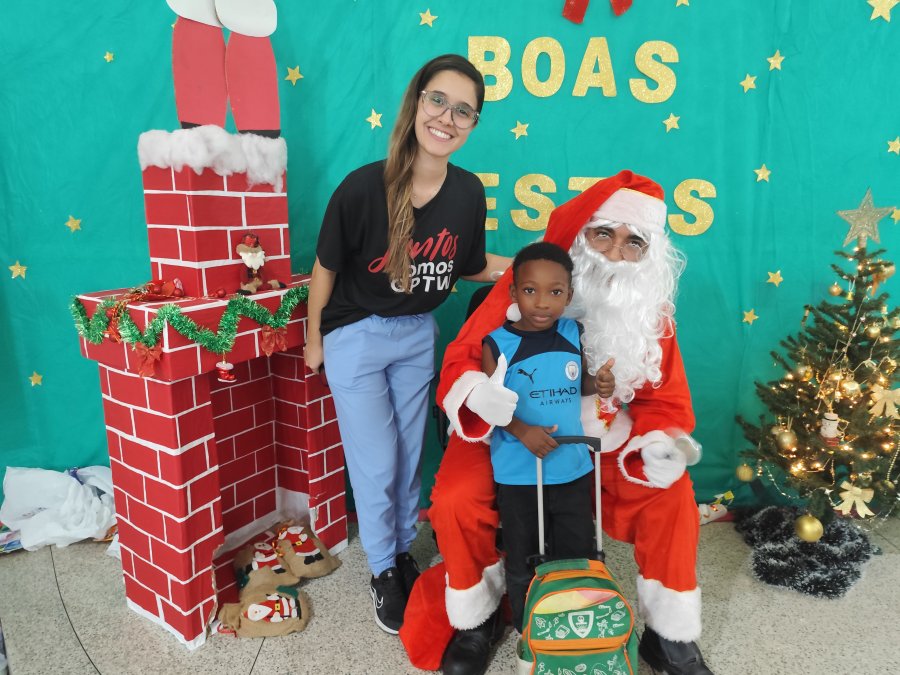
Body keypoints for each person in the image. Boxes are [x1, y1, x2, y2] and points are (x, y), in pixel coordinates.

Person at [400, 171, 714, 675]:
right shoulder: (526, 287)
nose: (615, 253)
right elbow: (462, 361)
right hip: (508, 430)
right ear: (582, 236)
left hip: (601, 435)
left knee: (672, 496)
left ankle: (668, 636)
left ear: (650, 253)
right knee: (457, 497)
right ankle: (478, 617)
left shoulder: (650, 314)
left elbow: (666, 401)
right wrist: (483, 396)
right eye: (604, 234)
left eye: (633, 242)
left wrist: (658, 443)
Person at [303, 54, 509, 635]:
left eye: (464, 111)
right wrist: (314, 339)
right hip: (356, 334)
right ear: (417, 102)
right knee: (376, 461)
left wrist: (532, 265)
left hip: (418, 334)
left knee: (409, 454)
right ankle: (383, 568)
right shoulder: (363, 187)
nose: (447, 117)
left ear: (473, 124)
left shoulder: (467, 192)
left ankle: (398, 547)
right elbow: (324, 268)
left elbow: (469, 264)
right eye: (438, 100)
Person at [484, 241, 601, 633]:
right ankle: (528, 629)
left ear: (569, 295)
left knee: (578, 552)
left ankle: (575, 625)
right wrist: (522, 431)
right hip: (519, 473)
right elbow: (488, 405)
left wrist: (599, 383)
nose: (542, 302)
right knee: (523, 556)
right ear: (513, 292)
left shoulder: (572, 332)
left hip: (571, 468)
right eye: (530, 290)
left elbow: (582, 385)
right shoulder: (497, 344)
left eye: (555, 292)